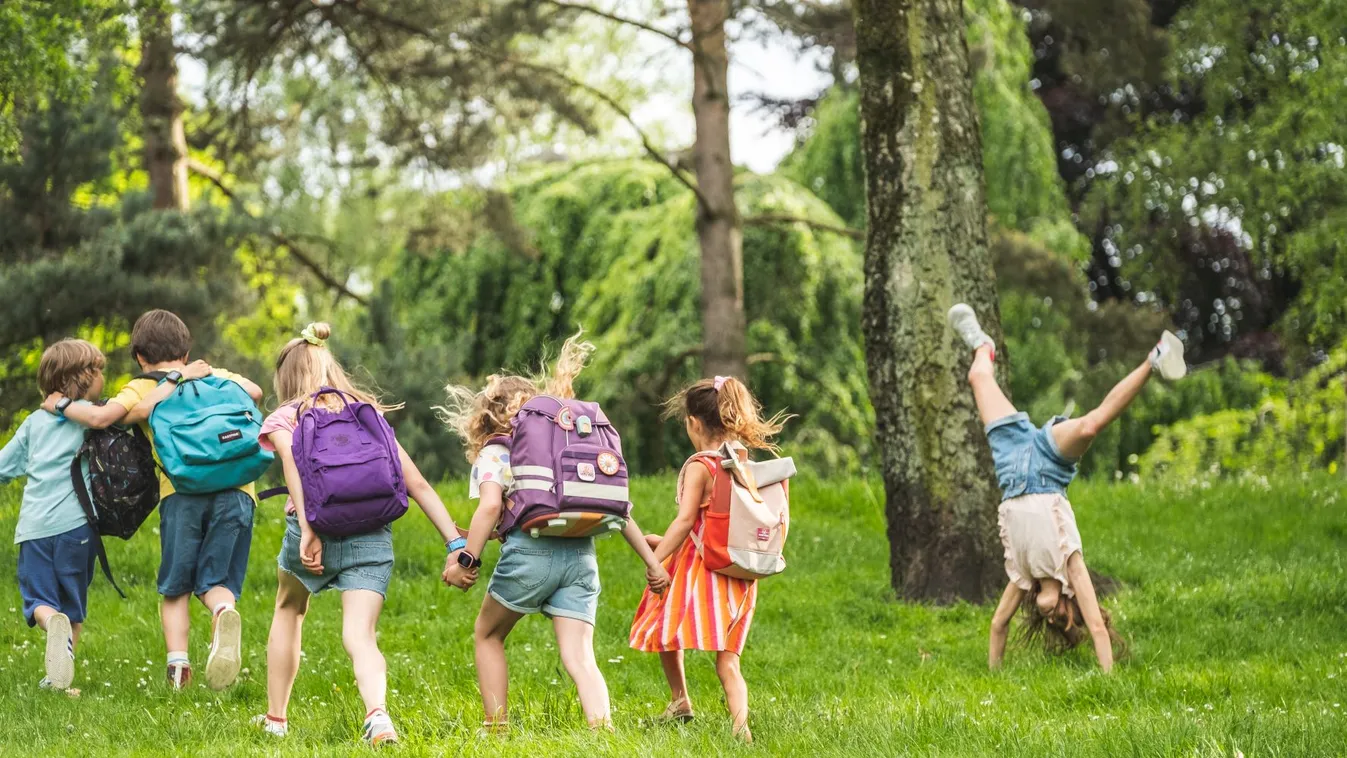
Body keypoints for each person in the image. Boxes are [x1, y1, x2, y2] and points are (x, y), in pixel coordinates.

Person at [252, 323, 475, 745]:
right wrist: (456, 543)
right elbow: (419, 484)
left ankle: (276, 720)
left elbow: (292, 466)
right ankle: (377, 715)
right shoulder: (365, 412)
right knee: (360, 635)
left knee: (289, 609)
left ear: (286, 378)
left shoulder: (287, 415)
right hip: (371, 533)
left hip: (311, 532)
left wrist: (309, 530)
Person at [440, 333, 669, 735]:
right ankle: (604, 731)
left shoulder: (495, 452)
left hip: (531, 554)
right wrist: (653, 565)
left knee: (488, 633)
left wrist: (467, 559)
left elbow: (491, 505)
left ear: (485, 420)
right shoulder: (559, 448)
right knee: (580, 655)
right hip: (581, 555)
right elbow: (619, 511)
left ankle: (496, 728)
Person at [946, 303, 1186, 672]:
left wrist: (992, 678)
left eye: (1055, 624)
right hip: (1048, 463)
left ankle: (982, 344)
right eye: (1064, 617)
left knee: (978, 377)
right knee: (1090, 426)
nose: (1055, 617)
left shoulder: (1021, 575)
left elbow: (997, 625)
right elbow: (1097, 627)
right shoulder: (1070, 566)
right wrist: (1108, 679)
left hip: (1010, 462)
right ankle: (1154, 358)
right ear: (1070, 602)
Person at [45, 310, 264, 690]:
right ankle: (223, 611)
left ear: (141, 356)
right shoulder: (217, 375)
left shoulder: (144, 386)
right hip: (239, 490)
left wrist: (60, 405)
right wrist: (206, 374)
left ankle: (178, 671)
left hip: (182, 493)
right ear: (186, 347)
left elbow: (110, 417)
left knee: (175, 586)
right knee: (220, 578)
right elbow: (256, 393)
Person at [628, 376, 789, 743]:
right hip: (742, 573)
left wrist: (657, 558)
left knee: (664, 627)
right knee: (728, 662)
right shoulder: (743, 464)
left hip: (704, 571)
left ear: (694, 423)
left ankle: (679, 698)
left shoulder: (701, 465)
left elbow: (685, 521)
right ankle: (741, 728)